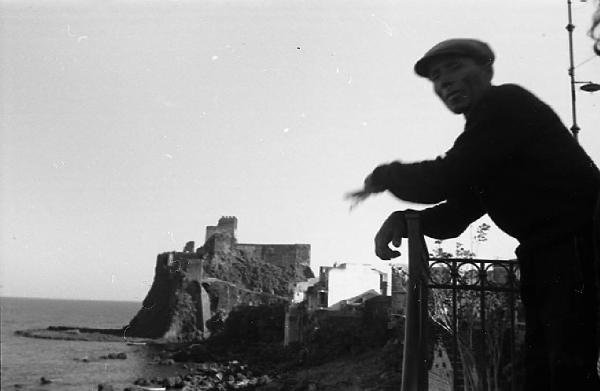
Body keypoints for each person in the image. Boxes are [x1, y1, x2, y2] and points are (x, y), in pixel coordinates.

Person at [347, 38, 600, 390]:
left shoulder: (505, 104)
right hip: (547, 254)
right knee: (547, 369)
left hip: (578, 244)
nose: (445, 82)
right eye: (436, 76)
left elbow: (445, 177)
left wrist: (384, 176)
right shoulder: (485, 138)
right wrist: (407, 220)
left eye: (454, 68)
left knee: (567, 368)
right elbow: (458, 212)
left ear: (487, 70)